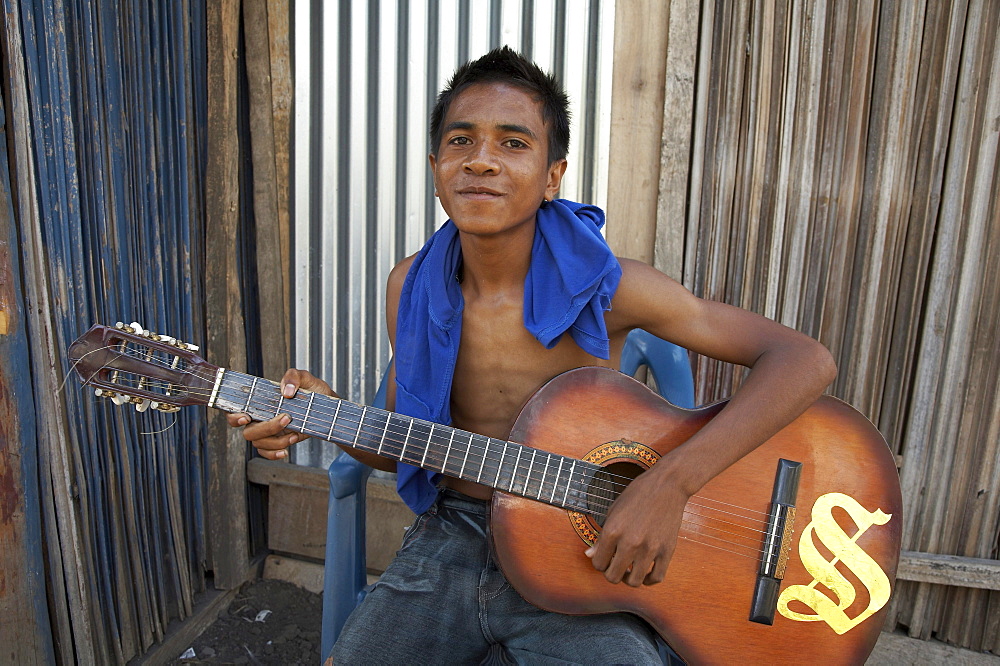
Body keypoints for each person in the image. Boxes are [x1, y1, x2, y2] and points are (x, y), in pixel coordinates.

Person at [228, 46, 836, 664]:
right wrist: (323, 415)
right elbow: (400, 446)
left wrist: (669, 486)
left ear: (553, 175)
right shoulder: (410, 287)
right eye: (461, 141)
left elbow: (803, 360)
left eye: (513, 143)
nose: (482, 161)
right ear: (436, 165)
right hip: (455, 535)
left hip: (586, 549)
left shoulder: (610, 287)